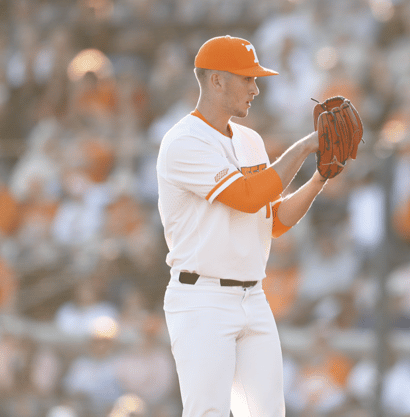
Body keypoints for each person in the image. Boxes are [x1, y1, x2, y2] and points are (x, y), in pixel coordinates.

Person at [157, 35, 331, 416]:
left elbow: (273, 221)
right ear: (217, 80)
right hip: (201, 298)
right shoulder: (183, 142)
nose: (256, 88)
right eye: (247, 79)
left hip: (253, 297)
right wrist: (303, 148)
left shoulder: (250, 140)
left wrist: (319, 178)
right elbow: (248, 196)